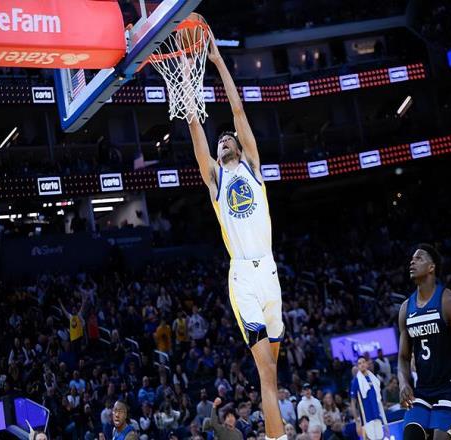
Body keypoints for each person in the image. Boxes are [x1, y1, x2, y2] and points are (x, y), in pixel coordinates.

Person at [186, 33, 285, 440]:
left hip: (271, 273)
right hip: (243, 276)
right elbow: (195, 126)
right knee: (265, 368)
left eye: (229, 139)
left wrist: (218, 62)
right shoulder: (216, 178)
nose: (224, 140)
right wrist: (187, 80)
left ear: (240, 149)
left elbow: (238, 108)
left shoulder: (252, 167)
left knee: (272, 372)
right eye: (221, 141)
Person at [398, 244, 451, 440]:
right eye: (412, 259)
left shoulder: (448, 300)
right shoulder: (406, 308)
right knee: (411, 435)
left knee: (441, 437)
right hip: (423, 389)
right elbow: (403, 357)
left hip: (450, 388)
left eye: (419, 258)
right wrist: (403, 383)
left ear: (431, 267)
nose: (412, 262)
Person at [350, 356, 389, 440]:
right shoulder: (356, 381)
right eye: (359, 363)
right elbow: (353, 402)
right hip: (366, 418)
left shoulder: (373, 378)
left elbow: (378, 397)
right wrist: (357, 422)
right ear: (357, 366)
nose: (362, 364)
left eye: (363, 362)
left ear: (367, 364)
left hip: (377, 415)